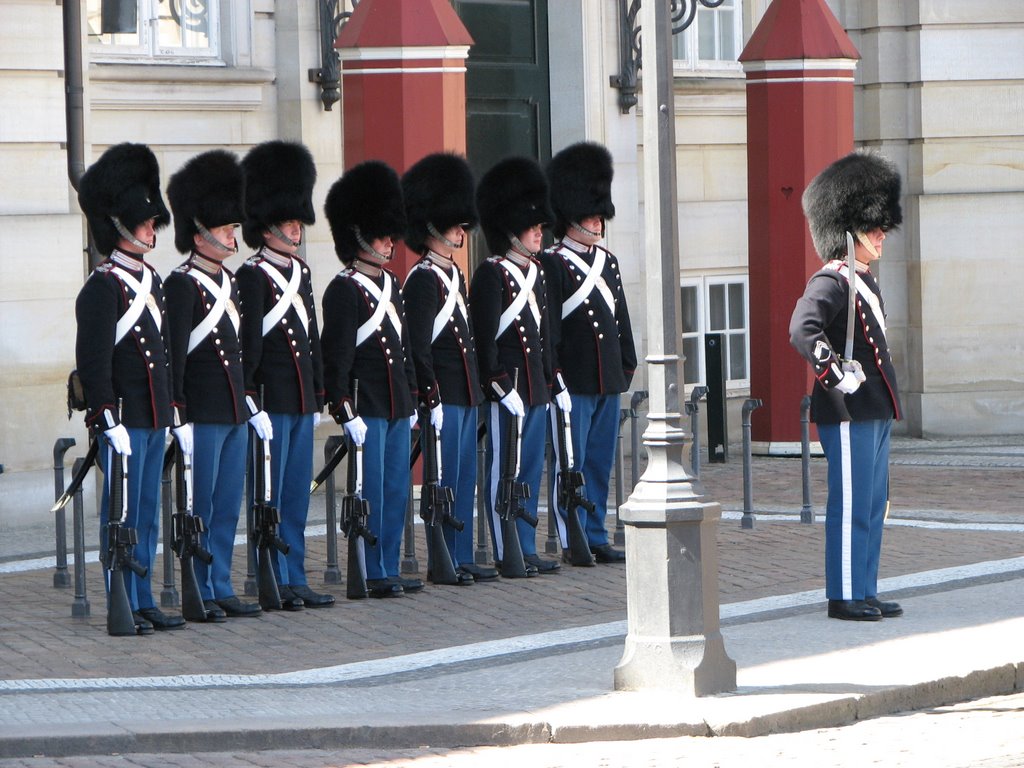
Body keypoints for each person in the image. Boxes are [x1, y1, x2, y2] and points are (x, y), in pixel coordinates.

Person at [75, 143, 186, 633]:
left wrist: (173, 411)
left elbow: (163, 354)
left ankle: (142, 598)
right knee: (119, 515)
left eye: (152, 222)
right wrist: (104, 415)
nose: (151, 228)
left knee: (145, 511)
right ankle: (120, 596)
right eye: (143, 222)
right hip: (123, 416)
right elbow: (93, 361)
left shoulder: (154, 281)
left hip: (153, 413)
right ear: (118, 224)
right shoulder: (103, 286)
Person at [789, 150, 904, 622]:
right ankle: (843, 594)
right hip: (849, 410)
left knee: (875, 503)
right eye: (873, 227)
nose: (881, 235)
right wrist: (834, 373)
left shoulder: (864, 281)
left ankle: (866, 587)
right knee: (852, 502)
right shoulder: (832, 281)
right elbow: (802, 330)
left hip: (874, 409)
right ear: (850, 229)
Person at [164, 150, 262, 620]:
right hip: (201, 411)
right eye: (225, 230)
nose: (232, 236)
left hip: (232, 411)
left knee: (227, 507)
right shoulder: (182, 284)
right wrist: (176, 410)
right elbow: (176, 355)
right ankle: (197, 587)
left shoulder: (231, 282)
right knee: (199, 504)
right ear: (199, 232)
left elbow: (240, 349)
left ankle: (220, 581)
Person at [237, 140, 332, 610]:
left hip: (298, 400)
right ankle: (268, 573)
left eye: (298, 220)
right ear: (268, 223)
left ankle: (293, 573)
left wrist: (316, 394)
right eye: (291, 220)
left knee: (296, 495)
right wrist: (252, 400)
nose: (297, 227)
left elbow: (311, 338)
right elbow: (249, 345)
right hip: (271, 401)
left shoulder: (302, 273)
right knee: (269, 495)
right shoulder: (252, 276)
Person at [321, 160, 420, 598]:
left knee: (397, 491)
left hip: (397, 404)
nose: (388, 242)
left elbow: (404, 348)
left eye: (389, 233)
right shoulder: (344, 289)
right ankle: (368, 570)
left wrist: (414, 399)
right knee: (371, 492)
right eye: (381, 234)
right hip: (367, 406)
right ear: (359, 235)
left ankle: (388, 564)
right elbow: (337, 357)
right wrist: (343, 408)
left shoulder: (392, 284)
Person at [400, 152, 498, 585]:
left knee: (462, 477)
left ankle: (459, 554)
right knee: (443, 480)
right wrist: (430, 394)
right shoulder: (422, 278)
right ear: (435, 225)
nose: (462, 231)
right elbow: (419, 345)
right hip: (441, 394)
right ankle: (444, 557)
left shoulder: (455, 275)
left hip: (463, 392)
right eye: (455, 225)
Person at [541, 142, 636, 564]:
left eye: (600, 214)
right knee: (571, 463)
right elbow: (551, 331)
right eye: (591, 214)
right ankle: (572, 534)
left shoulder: (608, 262)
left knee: (599, 463)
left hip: (606, 379)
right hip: (574, 380)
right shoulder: (554, 264)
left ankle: (595, 531)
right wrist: (556, 376)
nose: (599, 220)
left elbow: (620, 319)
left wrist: (626, 365)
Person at [470, 156, 564, 576]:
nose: (539, 234)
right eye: (533, 228)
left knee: (528, 471)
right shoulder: (491, 275)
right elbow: (485, 337)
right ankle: (505, 545)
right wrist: (497, 383)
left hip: (536, 390)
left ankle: (524, 544)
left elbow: (545, 334)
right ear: (512, 231)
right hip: (508, 390)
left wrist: (552, 378)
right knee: (502, 472)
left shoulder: (538, 273)